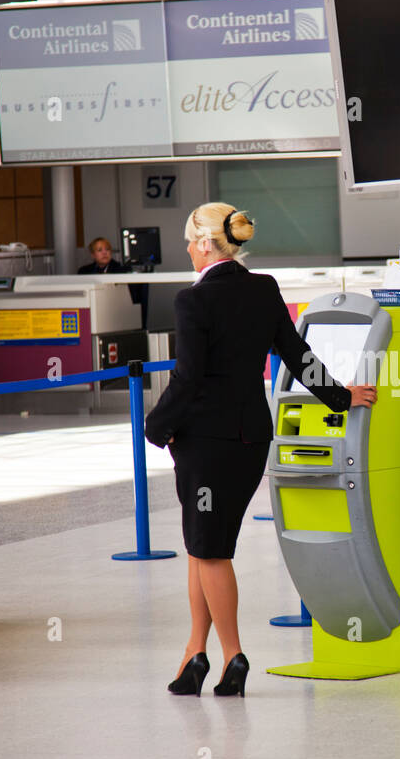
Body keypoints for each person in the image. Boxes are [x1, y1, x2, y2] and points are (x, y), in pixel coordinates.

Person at [144, 202, 378, 699]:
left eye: (191, 241)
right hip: (250, 440)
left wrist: (155, 426)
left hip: (205, 444)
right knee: (200, 547)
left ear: (207, 244)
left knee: (210, 553)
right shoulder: (263, 288)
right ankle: (194, 655)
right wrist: (342, 396)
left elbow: (187, 378)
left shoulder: (193, 301)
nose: (187, 250)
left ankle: (232, 656)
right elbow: (297, 354)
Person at [78, 237, 147, 325]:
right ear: (93, 255)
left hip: (117, 314)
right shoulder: (84, 271)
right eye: (100, 250)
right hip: (93, 314)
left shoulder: (122, 269)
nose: (104, 252)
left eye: (107, 249)